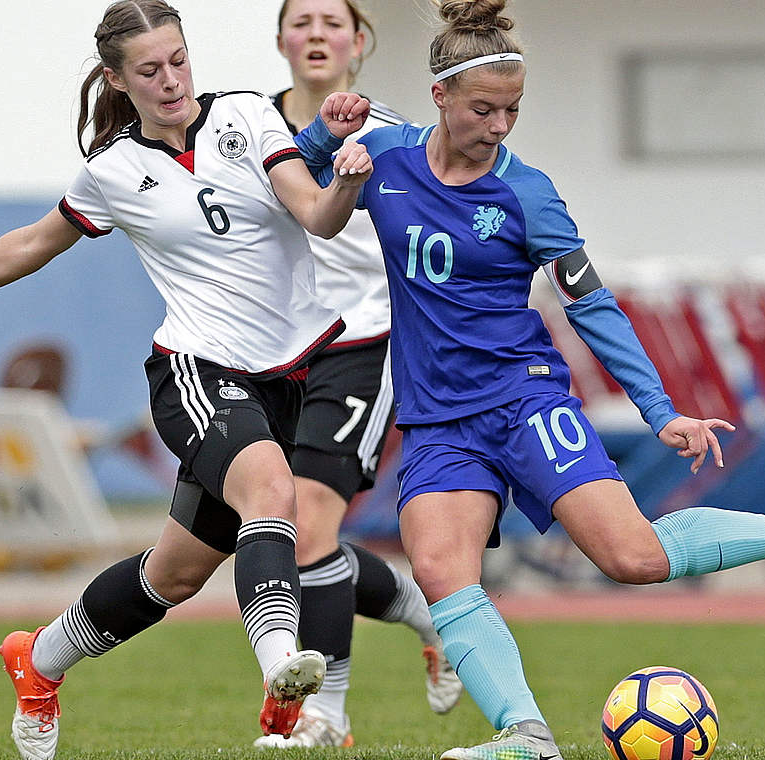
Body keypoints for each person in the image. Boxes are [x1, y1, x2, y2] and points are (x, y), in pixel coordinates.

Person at [293, 1, 765, 758]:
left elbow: (594, 306)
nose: (499, 126)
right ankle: (526, 737)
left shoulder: (529, 194)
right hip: (437, 419)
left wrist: (661, 412)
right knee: (439, 570)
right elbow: (303, 176)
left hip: (524, 400)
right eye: (483, 109)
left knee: (634, 559)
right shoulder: (386, 153)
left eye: (513, 110)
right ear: (440, 98)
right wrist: (329, 132)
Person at [0, 2, 373, 758]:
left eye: (178, 60)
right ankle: (282, 672)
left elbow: (315, 214)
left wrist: (342, 181)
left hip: (287, 378)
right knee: (273, 493)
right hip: (197, 373)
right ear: (117, 78)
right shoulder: (114, 170)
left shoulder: (247, 116)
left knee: (173, 576)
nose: (171, 80)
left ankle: (38, 661)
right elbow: (32, 244)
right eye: (149, 69)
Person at [254, 0, 462, 748]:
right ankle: (426, 614)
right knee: (285, 533)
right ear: (279, 39)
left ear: (359, 41)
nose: (316, 33)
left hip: (363, 345)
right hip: (271, 353)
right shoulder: (248, 130)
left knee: (310, 522)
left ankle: (327, 714)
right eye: (300, 21)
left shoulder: (396, 136)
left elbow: (443, 229)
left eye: (331, 22)